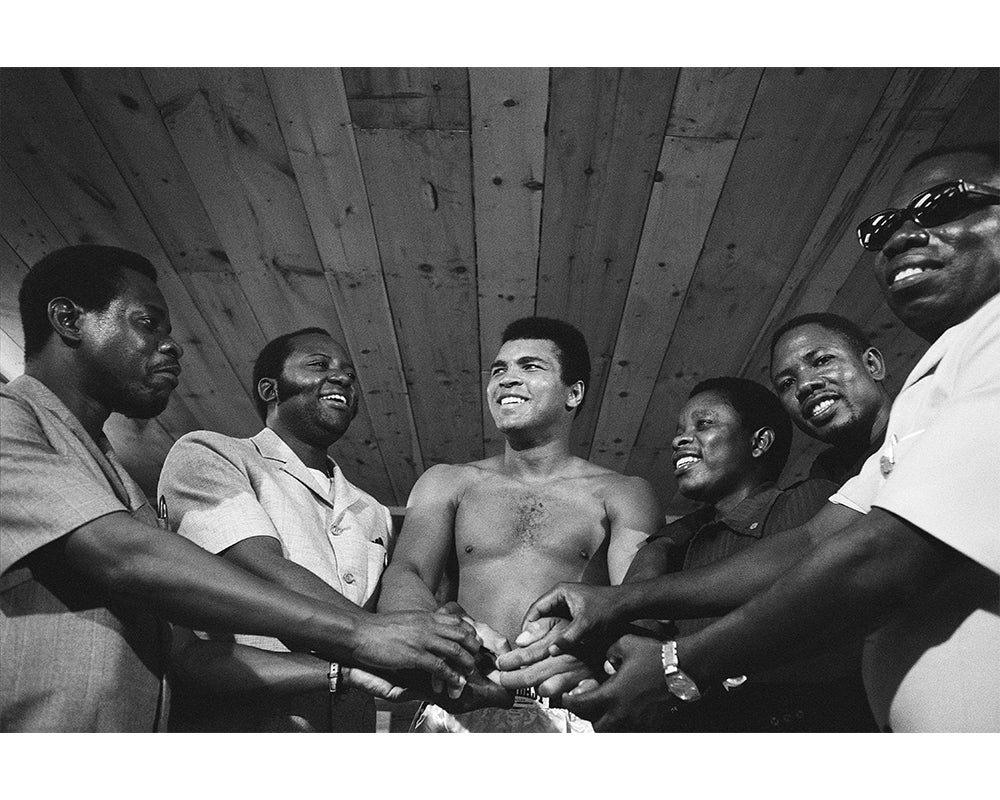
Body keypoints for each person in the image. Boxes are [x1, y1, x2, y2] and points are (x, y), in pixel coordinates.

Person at [502, 142, 1000, 732]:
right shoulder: (938, 381)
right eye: (883, 227)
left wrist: (677, 667)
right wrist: (621, 600)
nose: (899, 238)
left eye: (942, 205)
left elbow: (887, 554)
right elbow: (815, 543)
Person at [0, 245, 483, 732]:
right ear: (67, 319)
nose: (172, 345)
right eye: (148, 324)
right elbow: (120, 553)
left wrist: (364, 663)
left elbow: (188, 656)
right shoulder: (11, 417)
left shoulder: (120, 488)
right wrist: (364, 633)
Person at [377, 316, 662, 732]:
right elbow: (405, 574)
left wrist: (586, 647)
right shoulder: (449, 482)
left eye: (530, 367)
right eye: (499, 370)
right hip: (462, 697)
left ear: (574, 393)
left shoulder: (621, 492)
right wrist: (451, 634)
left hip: (568, 702)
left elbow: (639, 604)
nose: (507, 379)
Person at [159, 328, 406, 731]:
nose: (342, 377)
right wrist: (380, 636)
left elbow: (386, 610)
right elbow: (259, 567)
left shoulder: (374, 510)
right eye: (319, 365)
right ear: (270, 389)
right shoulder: (214, 454)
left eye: (349, 373)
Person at [619, 377, 874, 731]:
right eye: (679, 430)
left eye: (703, 424)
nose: (679, 439)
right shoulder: (678, 544)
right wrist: (657, 546)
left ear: (759, 443)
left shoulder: (808, 503)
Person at [769, 313, 893, 484]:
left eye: (822, 360)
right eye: (787, 383)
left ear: (872, 365)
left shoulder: (934, 424)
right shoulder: (812, 495)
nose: (804, 385)